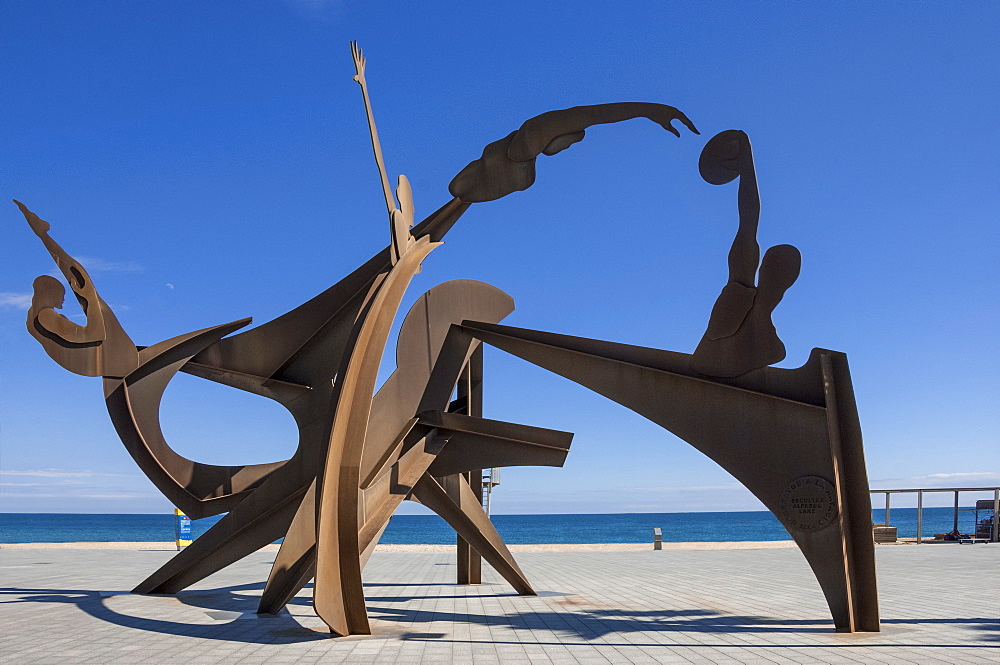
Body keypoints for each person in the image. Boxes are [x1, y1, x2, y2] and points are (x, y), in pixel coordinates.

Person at [690, 131, 801, 378]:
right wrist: (747, 165)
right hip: (708, 367)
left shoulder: (753, 314)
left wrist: (745, 164)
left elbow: (749, 221)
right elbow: (749, 219)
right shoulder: (740, 288)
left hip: (710, 367)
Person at [17, 200, 138, 378]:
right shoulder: (45, 316)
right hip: (113, 359)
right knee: (83, 283)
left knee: (80, 278)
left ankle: (44, 237)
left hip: (104, 361)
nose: (64, 299)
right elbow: (96, 333)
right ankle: (44, 237)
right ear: (49, 293)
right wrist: (90, 299)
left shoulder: (35, 315)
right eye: (61, 294)